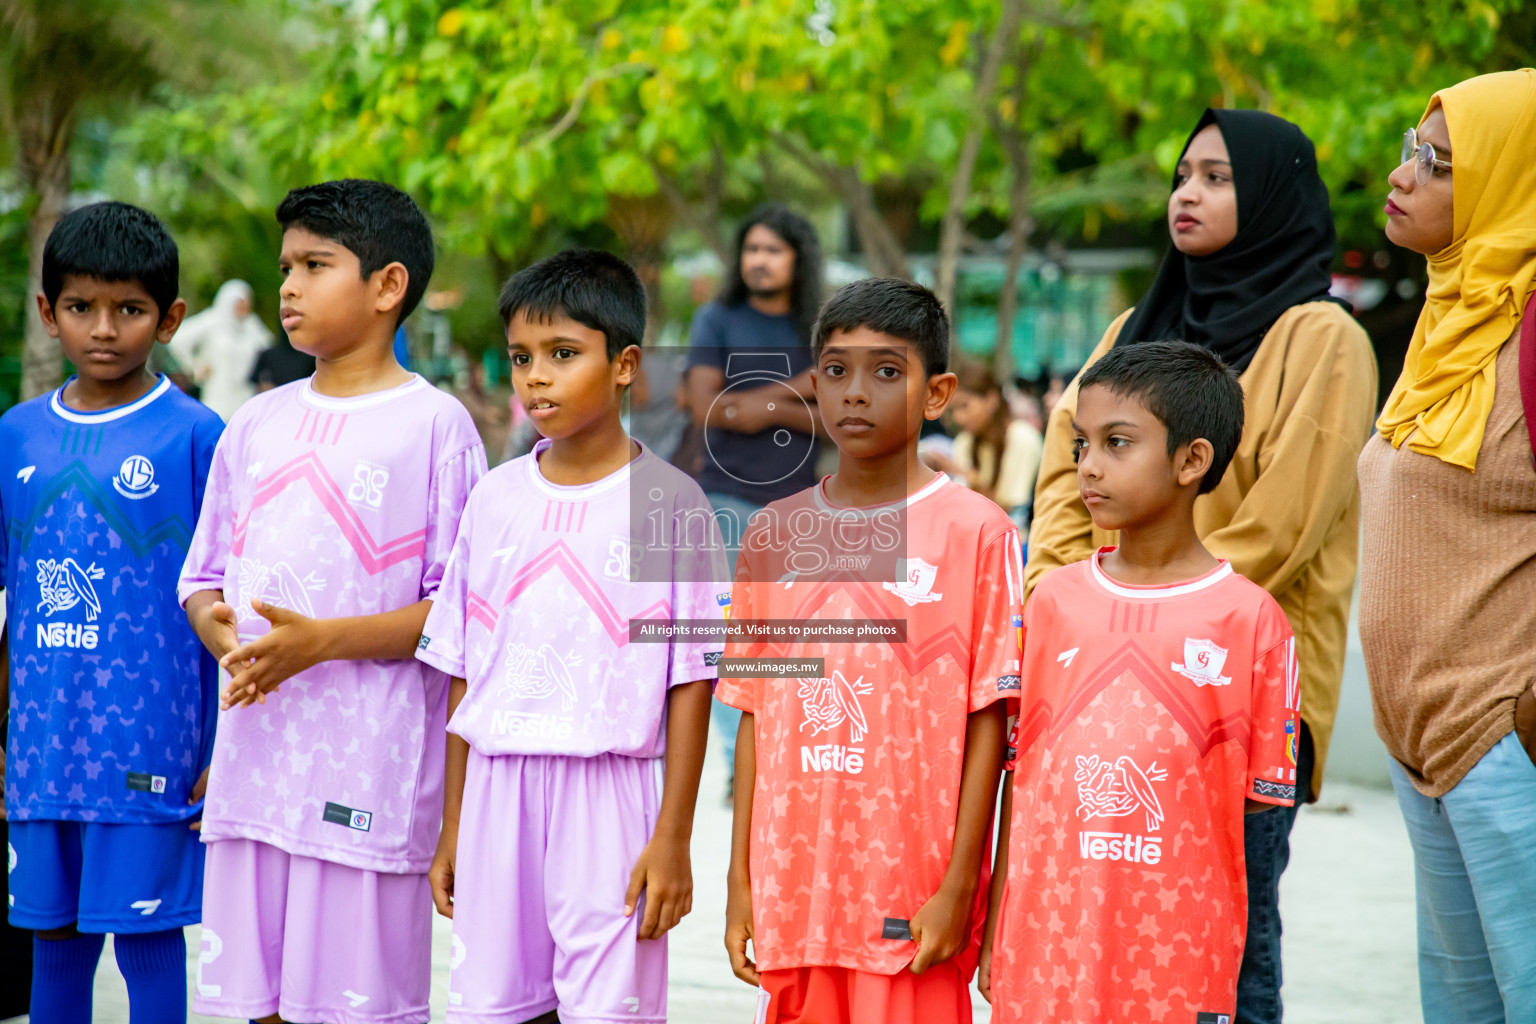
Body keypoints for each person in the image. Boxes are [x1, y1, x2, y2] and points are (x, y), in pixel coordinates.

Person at [1025, 108, 1376, 1024]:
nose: (1188, 192)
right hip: (1092, 680)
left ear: (1269, 197)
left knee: (1230, 937)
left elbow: (1288, 521)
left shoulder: (1321, 337)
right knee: (1099, 920)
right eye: (1184, 175)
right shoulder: (1131, 328)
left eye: (1218, 178)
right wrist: (1058, 602)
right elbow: (1064, 484)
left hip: (1238, 690)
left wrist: (1151, 612)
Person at [178, 179, 486, 1024]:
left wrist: (317, 643)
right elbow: (203, 582)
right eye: (285, 267)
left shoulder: (436, 426)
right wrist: (234, 643)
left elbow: (453, 614)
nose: (288, 286)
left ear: (387, 286)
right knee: (262, 1007)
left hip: (368, 780)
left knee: (359, 1011)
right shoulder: (254, 422)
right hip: (256, 775)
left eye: (316, 265)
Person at [417, 249, 722, 1022]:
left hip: (610, 797)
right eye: (522, 357)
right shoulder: (493, 498)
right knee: (495, 1009)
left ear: (623, 365)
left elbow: (692, 679)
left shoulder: (671, 503)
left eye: (562, 354)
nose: (536, 378)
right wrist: (454, 826)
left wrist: (673, 838)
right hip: (497, 791)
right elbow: (461, 668)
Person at [721, 278, 1017, 1024]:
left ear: (937, 392)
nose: (856, 392)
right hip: (796, 891)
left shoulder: (977, 534)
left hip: (908, 899)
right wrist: (740, 880)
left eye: (887, 371)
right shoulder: (772, 534)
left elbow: (990, 721)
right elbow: (754, 714)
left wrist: (959, 887)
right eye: (836, 370)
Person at [984, 340, 1299, 1022]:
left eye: (1116, 443)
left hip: (1180, 971)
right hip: (1045, 960)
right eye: (1080, 445)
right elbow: (1025, 778)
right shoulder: (1051, 604)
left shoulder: (1251, 623)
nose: (1088, 467)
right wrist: (997, 924)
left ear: (1192, 460)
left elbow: (1250, 829)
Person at [1, 201, 223, 1023]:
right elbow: (9, 605)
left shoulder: (200, 437)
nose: (104, 329)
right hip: (39, 757)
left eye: (128, 309)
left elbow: (232, 610)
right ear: (47, 312)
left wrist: (222, 739)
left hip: (151, 754)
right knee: (52, 952)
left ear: (169, 318)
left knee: (149, 945)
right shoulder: (15, 437)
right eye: (81, 307)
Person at [1360, 69, 1536, 1024]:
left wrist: (1523, 707)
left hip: (1509, 738)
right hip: (1420, 741)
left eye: (1438, 163)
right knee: (1464, 1009)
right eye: (1409, 148)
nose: (1403, 176)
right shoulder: (1449, 321)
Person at [686, 204, 824, 784]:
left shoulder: (818, 327)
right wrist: (799, 390)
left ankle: (778, 747)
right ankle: (731, 762)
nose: (759, 261)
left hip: (801, 502)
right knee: (727, 636)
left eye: (773, 250)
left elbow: (837, 414)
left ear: (798, 259)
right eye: (751, 250)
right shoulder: (717, 320)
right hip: (727, 497)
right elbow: (708, 410)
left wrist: (751, 405)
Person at [928, 361, 1043, 530]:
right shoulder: (965, 440)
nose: (959, 417)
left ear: (991, 399)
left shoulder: (1023, 438)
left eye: (964, 406)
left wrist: (962, 472)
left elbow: (1011, 511)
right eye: (953, 410)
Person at [171, 279, 273, 420]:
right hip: (217, 400)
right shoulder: (212, 321)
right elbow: (175, 341)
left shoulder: (251, 326)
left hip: (245, 401)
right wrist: (195, 366)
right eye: (241, 301)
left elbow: (271, 351)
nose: (245, 306)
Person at [249, 329, 316, 392]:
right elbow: (256, 380)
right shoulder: (310, 356)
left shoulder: (310, 357)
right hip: (277, 398)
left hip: (295, 397)